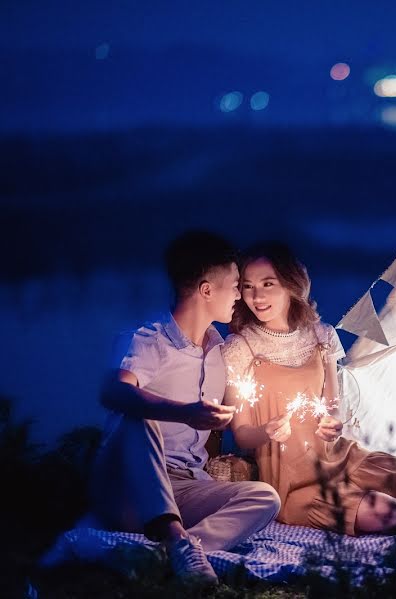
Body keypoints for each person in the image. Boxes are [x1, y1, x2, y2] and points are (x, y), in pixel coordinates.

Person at [222, 242, 396, 536]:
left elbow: (333, 405)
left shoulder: (322, 336)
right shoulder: (239, 348)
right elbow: (241, 433)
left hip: (343, 458)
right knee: (391, 515)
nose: (257, 295)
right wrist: (266, 431)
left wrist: (333, 422)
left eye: (268, 284)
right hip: (293, 482)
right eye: (247, 286)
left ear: (291, 284)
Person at [86, 231, 281, 584]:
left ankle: (173, 553)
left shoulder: (218, 353)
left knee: (264, 497)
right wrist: (184, 411)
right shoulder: (147, 340)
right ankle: (175, 539)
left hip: (184, 488)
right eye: (235, 285)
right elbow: (112, 392)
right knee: (138, 415)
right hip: (129, 485)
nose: (240, 295)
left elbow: (218, 429)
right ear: (207, 290)